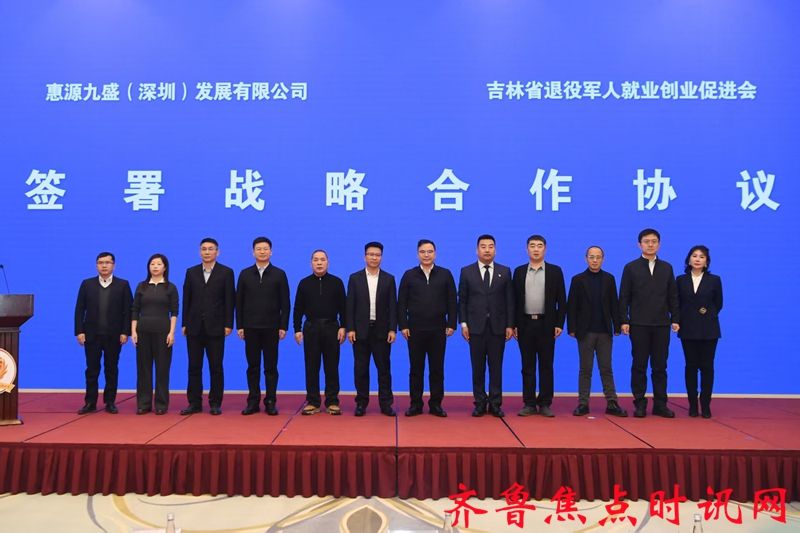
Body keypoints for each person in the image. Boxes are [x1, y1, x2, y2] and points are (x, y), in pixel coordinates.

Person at [619, 228, 680, 418]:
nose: (650, 244)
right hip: (639, 324)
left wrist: (675, 318)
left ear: (659, 244)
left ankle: (660, 404)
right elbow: (624, 296)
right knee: (639, 365)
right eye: (646, 241)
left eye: (654, 241)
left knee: (660, 366)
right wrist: (624, 320)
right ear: (639, 244)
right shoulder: (631, 267)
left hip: (662, 324)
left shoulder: (667, 268)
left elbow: (673, 296)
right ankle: (640, 403)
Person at [397, 239, 457, 417]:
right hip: (415, 329)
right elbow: (401, 303)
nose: (426, 255)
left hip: (438, 329)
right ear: (418, 254)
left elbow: (452, 301)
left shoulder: (445, 274)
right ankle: (415, 404)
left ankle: (436, 404)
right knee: (416, 369)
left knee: (437, 369)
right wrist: (403, 325)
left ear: (435, 254)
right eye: (423, 252)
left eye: (430, 251)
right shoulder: (409, 275)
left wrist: (451, 323)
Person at [566, 246, 627, 417]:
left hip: (605, 331)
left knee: (606, 368)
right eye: (591, 257)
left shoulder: (609, 279)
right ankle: (583, 403)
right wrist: (572, 328)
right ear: (586, 258)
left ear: (603, 259)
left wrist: (617, 325)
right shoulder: (578, 279)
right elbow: (572, 305)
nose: (595, 260)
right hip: (585, 332)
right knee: (585, 369)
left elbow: (614, 303)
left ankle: (612, 402)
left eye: (598, 257)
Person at [458, 234, 514, 417]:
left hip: (498, 327)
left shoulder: (505, 271)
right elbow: (462, 300)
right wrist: (463, 324)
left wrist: (510, 325)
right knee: (478, 367)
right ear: (477, 250)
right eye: (483, 246)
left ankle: (496, 403)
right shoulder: (467, 271)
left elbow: (509, 301)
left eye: (491, 246)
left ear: (495, 250)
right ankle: (480, 403)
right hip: (475, 328)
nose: (487, 250)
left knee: (496, 367)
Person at [179, 238, 235, 416]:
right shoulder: (191, 272)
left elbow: (229, 300)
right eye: (204, 249)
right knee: (194, 367)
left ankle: (215, 403)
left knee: (216, 367)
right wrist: (184, 323)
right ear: (199, 252)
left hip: (216, 326)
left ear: (218, 252)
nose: (207, 252)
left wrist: (228, 324)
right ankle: (194, 402)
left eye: (211, 249)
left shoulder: (226, 272)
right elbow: (186, 299)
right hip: (194, 326)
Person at [512, 235, 566, 418]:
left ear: (545, 249)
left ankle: (545, 403)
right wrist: (514, 324)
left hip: (547, 324)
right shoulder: (519, 272)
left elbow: (562, 300)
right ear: (527, 249)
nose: (536, 249)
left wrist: (559, 323)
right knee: (527, 366)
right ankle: (528, 403)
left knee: (546, 365)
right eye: (532, 246)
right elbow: (514, 301)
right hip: (525, 324)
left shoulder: (555, 271)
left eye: (540, 246)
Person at [236, 237, 290, 416]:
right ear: (253, 252)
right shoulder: (245, 274)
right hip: (250, 327)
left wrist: (283, 326)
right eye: (258, 249)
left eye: (265, 249)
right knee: (253, 366)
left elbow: (285, 303)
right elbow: (239, 302)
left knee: (270, 367)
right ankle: (253, 401)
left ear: (271, 252)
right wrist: (240, 325)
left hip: (271, 327)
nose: (262, 251)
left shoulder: (279, 274)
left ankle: (271, 401)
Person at [74, 252, 133, 414]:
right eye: (101, 262)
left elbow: (128, 310)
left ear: (114, 265)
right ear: (96, 265)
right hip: (91, 335)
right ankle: (90, 402)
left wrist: (125, 332)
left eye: (108, 262)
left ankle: (110, 402)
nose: (104, 265)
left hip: (114, 335)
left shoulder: (123, 285)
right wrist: (79, 331)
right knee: (92, 369)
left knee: (111, 369)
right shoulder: (87, 284)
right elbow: (79, 309)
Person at [346, 241, 397, 417]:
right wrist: (350, 328)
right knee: (361, 369)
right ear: (364, 257)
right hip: (360, 331)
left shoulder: (389, 279)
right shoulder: (355, 278)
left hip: (382, 331)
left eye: (377, 255)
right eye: (370, 254)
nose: (374, 257)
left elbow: (393, 306)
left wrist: (392, 329)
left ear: (381, 257)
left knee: (384, 369)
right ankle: (361, 403)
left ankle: (386, 404)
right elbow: (350, 305)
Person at [293, 249, 346, 415]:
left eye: (322, 259)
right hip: (311, 328)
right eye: (316, 260)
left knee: (332, 366)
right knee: (311, 366)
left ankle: (332, 401)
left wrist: (343, 327)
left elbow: (344, 307)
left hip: (332, 328)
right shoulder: (304, 283)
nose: (319, 263)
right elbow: (297, 308)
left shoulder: (337, 282)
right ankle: (313, 401)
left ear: (328, 262)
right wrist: (297, 329)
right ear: (311, 263)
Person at [676, 245, 722, 418]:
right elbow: (677, 303)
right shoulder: (680, 280)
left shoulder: (714, 280)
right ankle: (693, 404)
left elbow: (718, 304)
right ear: (689, 260)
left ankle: (706, 404)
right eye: (694, 256)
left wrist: (705, 313)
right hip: (688, 328)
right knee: (691, 366)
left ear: (706, 262)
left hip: (709, 329)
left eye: (702, 257)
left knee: (707, 367)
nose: (697, 259)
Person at [131, 253, 179, 415]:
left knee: (162, 369)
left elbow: (174, 312)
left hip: (163, 332)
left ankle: (161, 404)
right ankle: (143, 404)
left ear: (165, 267)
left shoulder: (170, 287)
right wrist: (133, 331)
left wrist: (172, 333)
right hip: (143, 331)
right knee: (143, 369)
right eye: (152, 264)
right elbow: (135, 310)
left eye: (158, 264)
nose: (155, 267)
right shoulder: (141, 286)